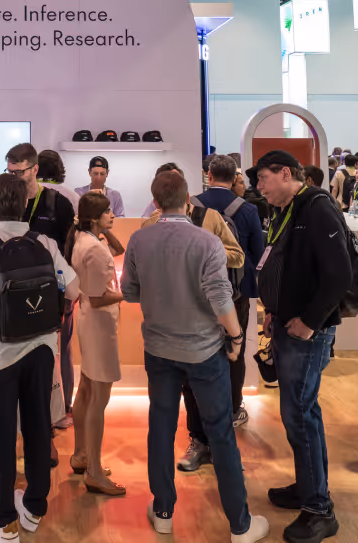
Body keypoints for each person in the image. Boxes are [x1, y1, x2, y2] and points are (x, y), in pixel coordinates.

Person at [123, 169, 268, 543]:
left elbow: (131, 292)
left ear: (156, 202)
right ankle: (239, 524)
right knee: (220, 431)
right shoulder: (207, 242)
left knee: (161, 427)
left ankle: (164, 511)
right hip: (204, 350)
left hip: (158, 349)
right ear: (189, 201)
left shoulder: (140, 240)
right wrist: (236, 335)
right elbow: (221, 298)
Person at [0, 173, 79, 542]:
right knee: (39, 429)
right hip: (41, 352)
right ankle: (35, 508)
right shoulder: (45, 242)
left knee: (0, 436)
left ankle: (3, 520)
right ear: (25, 204)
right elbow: (74, 288)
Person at [255, 149, 351, 541]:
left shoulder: (315, 208)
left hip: (306, 333)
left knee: (300, 414)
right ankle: (308, 487)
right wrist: (275, 308)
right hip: (288, 326)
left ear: (286, 173)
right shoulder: (289, 210)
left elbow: (339, 273)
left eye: (263, 178)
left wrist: (310, 323)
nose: (259, 186)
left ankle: (319, 509)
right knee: (298, 413)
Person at [8, 142, 81, 425]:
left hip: (53, 289)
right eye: (10, 172)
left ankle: (61, 409)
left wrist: (69, 284)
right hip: (15, 289)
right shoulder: (9, 200)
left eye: (20, 172)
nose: (15, 177)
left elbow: (70, 244)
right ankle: (27, 412)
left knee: (57, 348)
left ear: (35, 169)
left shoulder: (57, 203)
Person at [196, 154, 264, 429]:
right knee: (235, 347)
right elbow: (259, 254)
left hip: (200, 291)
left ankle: (203, 408)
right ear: (235, 177)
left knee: (202, 348)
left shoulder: (194, 207)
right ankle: (234, 408)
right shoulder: (247, 210)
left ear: (209, 176)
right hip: (238, 292)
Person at [67, 190, 127, 496]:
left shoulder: (85, 241)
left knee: (87, 389)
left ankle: (81, 455)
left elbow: (118, 249)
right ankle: (93, 471)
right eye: (107, 212)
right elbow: (97, 296)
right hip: (100, 325)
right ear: (94, 218)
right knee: (97, 399)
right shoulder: (93, 248)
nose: (113, 214)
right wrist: (126, 292)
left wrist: (106, 232)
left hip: (90, 321)